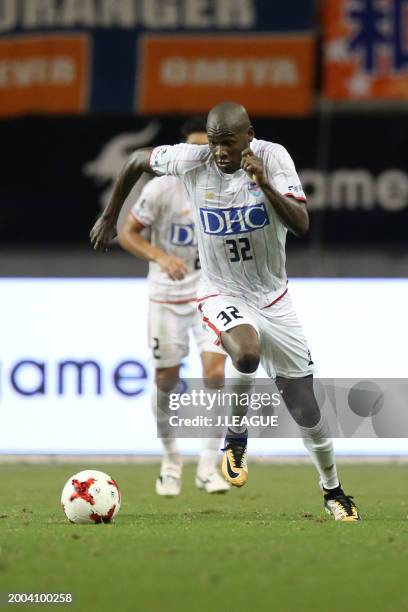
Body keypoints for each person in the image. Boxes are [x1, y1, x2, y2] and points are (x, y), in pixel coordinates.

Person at [90, 102, 360, 521]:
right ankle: (235, 438)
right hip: (219, 290)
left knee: (308, 410)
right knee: (245, 353)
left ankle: (333, 491)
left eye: (227, 143)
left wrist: (264, 184)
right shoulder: (193, 160)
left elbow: (302, 224)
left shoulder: (274, 158)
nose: (219, 152)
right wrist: (111, 217)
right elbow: (133, 160)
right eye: (215, 143)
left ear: (248, 135)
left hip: (274, 298)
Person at [118, 117, 229, 496]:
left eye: (206, 149)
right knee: (166, 380)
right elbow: (126, 232)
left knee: (215, 374)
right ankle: (170, 460)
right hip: (166, 295)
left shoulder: (224, 188)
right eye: (192, 149)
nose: (199, 156)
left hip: (208, 294)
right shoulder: (161, 188)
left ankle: (208, 466)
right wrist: (159, 256)